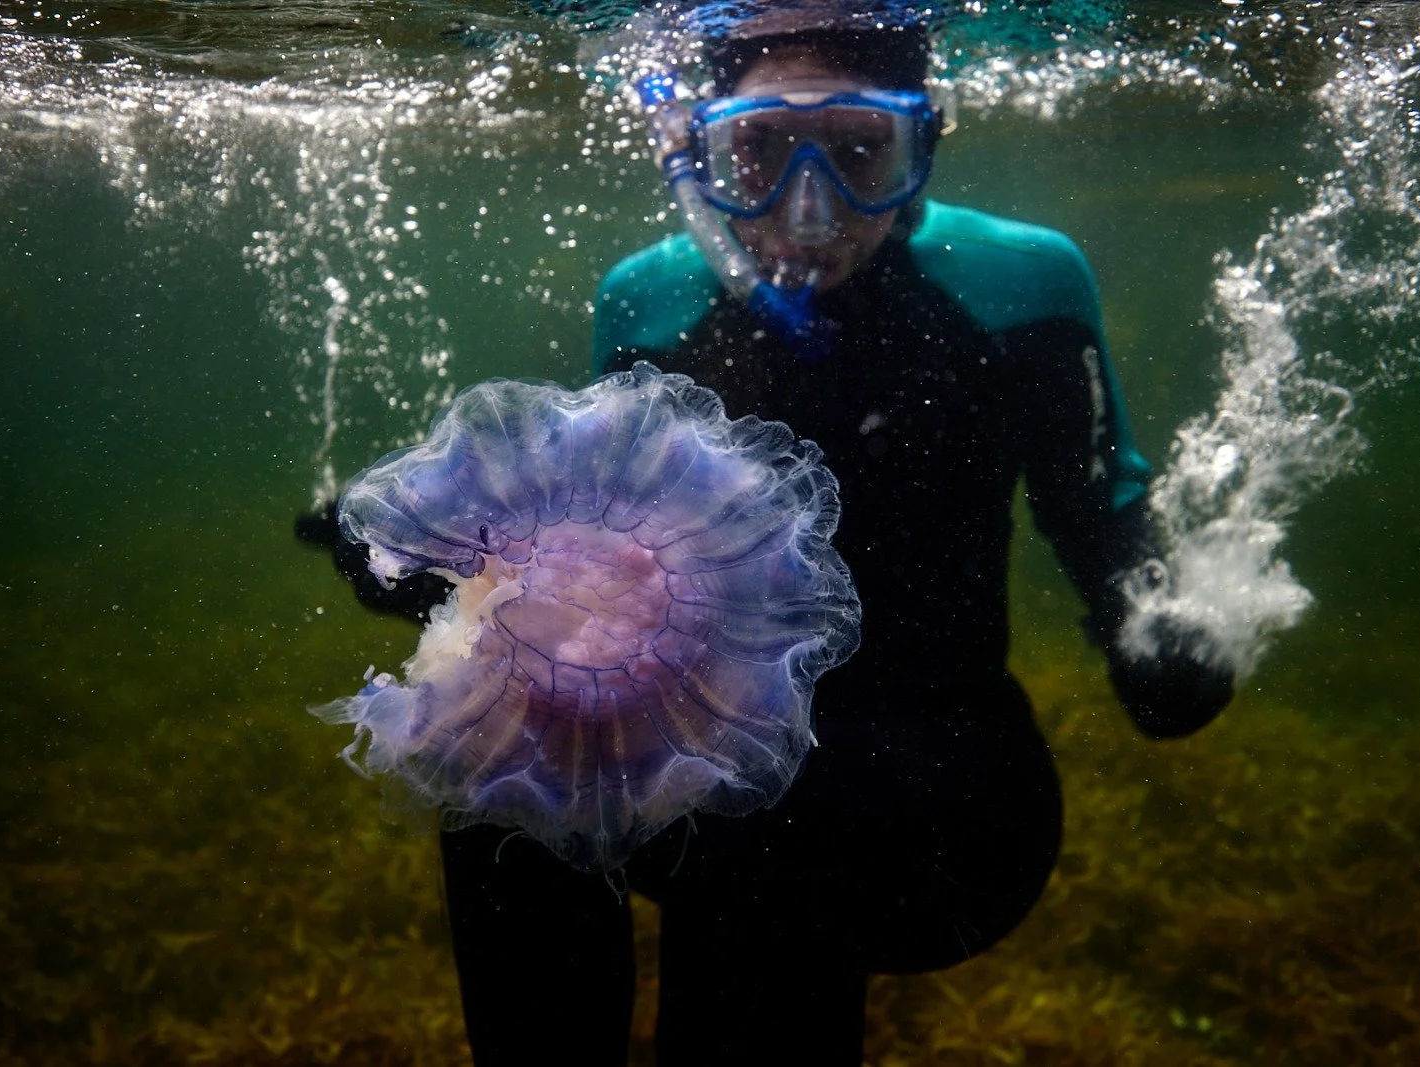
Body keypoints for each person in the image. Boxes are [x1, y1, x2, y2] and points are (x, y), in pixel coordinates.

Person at [299, 3, 1233, 1064]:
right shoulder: (647, 298)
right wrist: (435, 564)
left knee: (770, 841)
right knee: (500, 768)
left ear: (922, 143)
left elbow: (1097, 505)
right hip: (712, 772)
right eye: (762, 150)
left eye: (857, 152)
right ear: (700, 151)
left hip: (949, 797)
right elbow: (601, 562)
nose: (808, 207)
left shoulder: (1024, 282)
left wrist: (1146, 620)